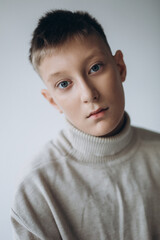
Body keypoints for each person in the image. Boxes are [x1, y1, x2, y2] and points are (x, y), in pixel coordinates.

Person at [11, 10, 160, 240]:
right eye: (64, 83)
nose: (88, 94)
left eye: (95, 68)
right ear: (52, 100)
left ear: (120, 67)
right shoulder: (36, 188)